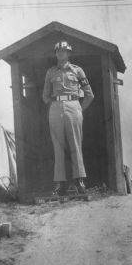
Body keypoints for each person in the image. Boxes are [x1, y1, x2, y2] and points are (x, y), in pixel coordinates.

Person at [42, 41, 94, 195]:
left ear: (69, 53)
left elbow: (89, 94)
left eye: (64, 51)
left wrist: (79, 110)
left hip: (74, 106)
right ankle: (60, 183)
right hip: (56, 108)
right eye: (58, 51)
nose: (61, 53)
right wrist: (53, 104)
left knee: (75, 145)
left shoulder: (78, 71)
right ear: (55, 53)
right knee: (58, 146)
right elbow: (45, 95)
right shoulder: (50, 72)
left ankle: (79, 181)